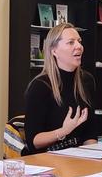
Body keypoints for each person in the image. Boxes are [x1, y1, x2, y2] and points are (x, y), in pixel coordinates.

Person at [24, 23, 97, 153]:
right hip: (46, 160)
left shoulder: (87, 81)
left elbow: (90, 134)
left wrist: (92, 156)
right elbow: (33, 141)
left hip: (78, 158)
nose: (79, 46)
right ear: (54, 51)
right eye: (70, 42)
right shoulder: (40, 86)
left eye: (79, 41)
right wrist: (63, 131)